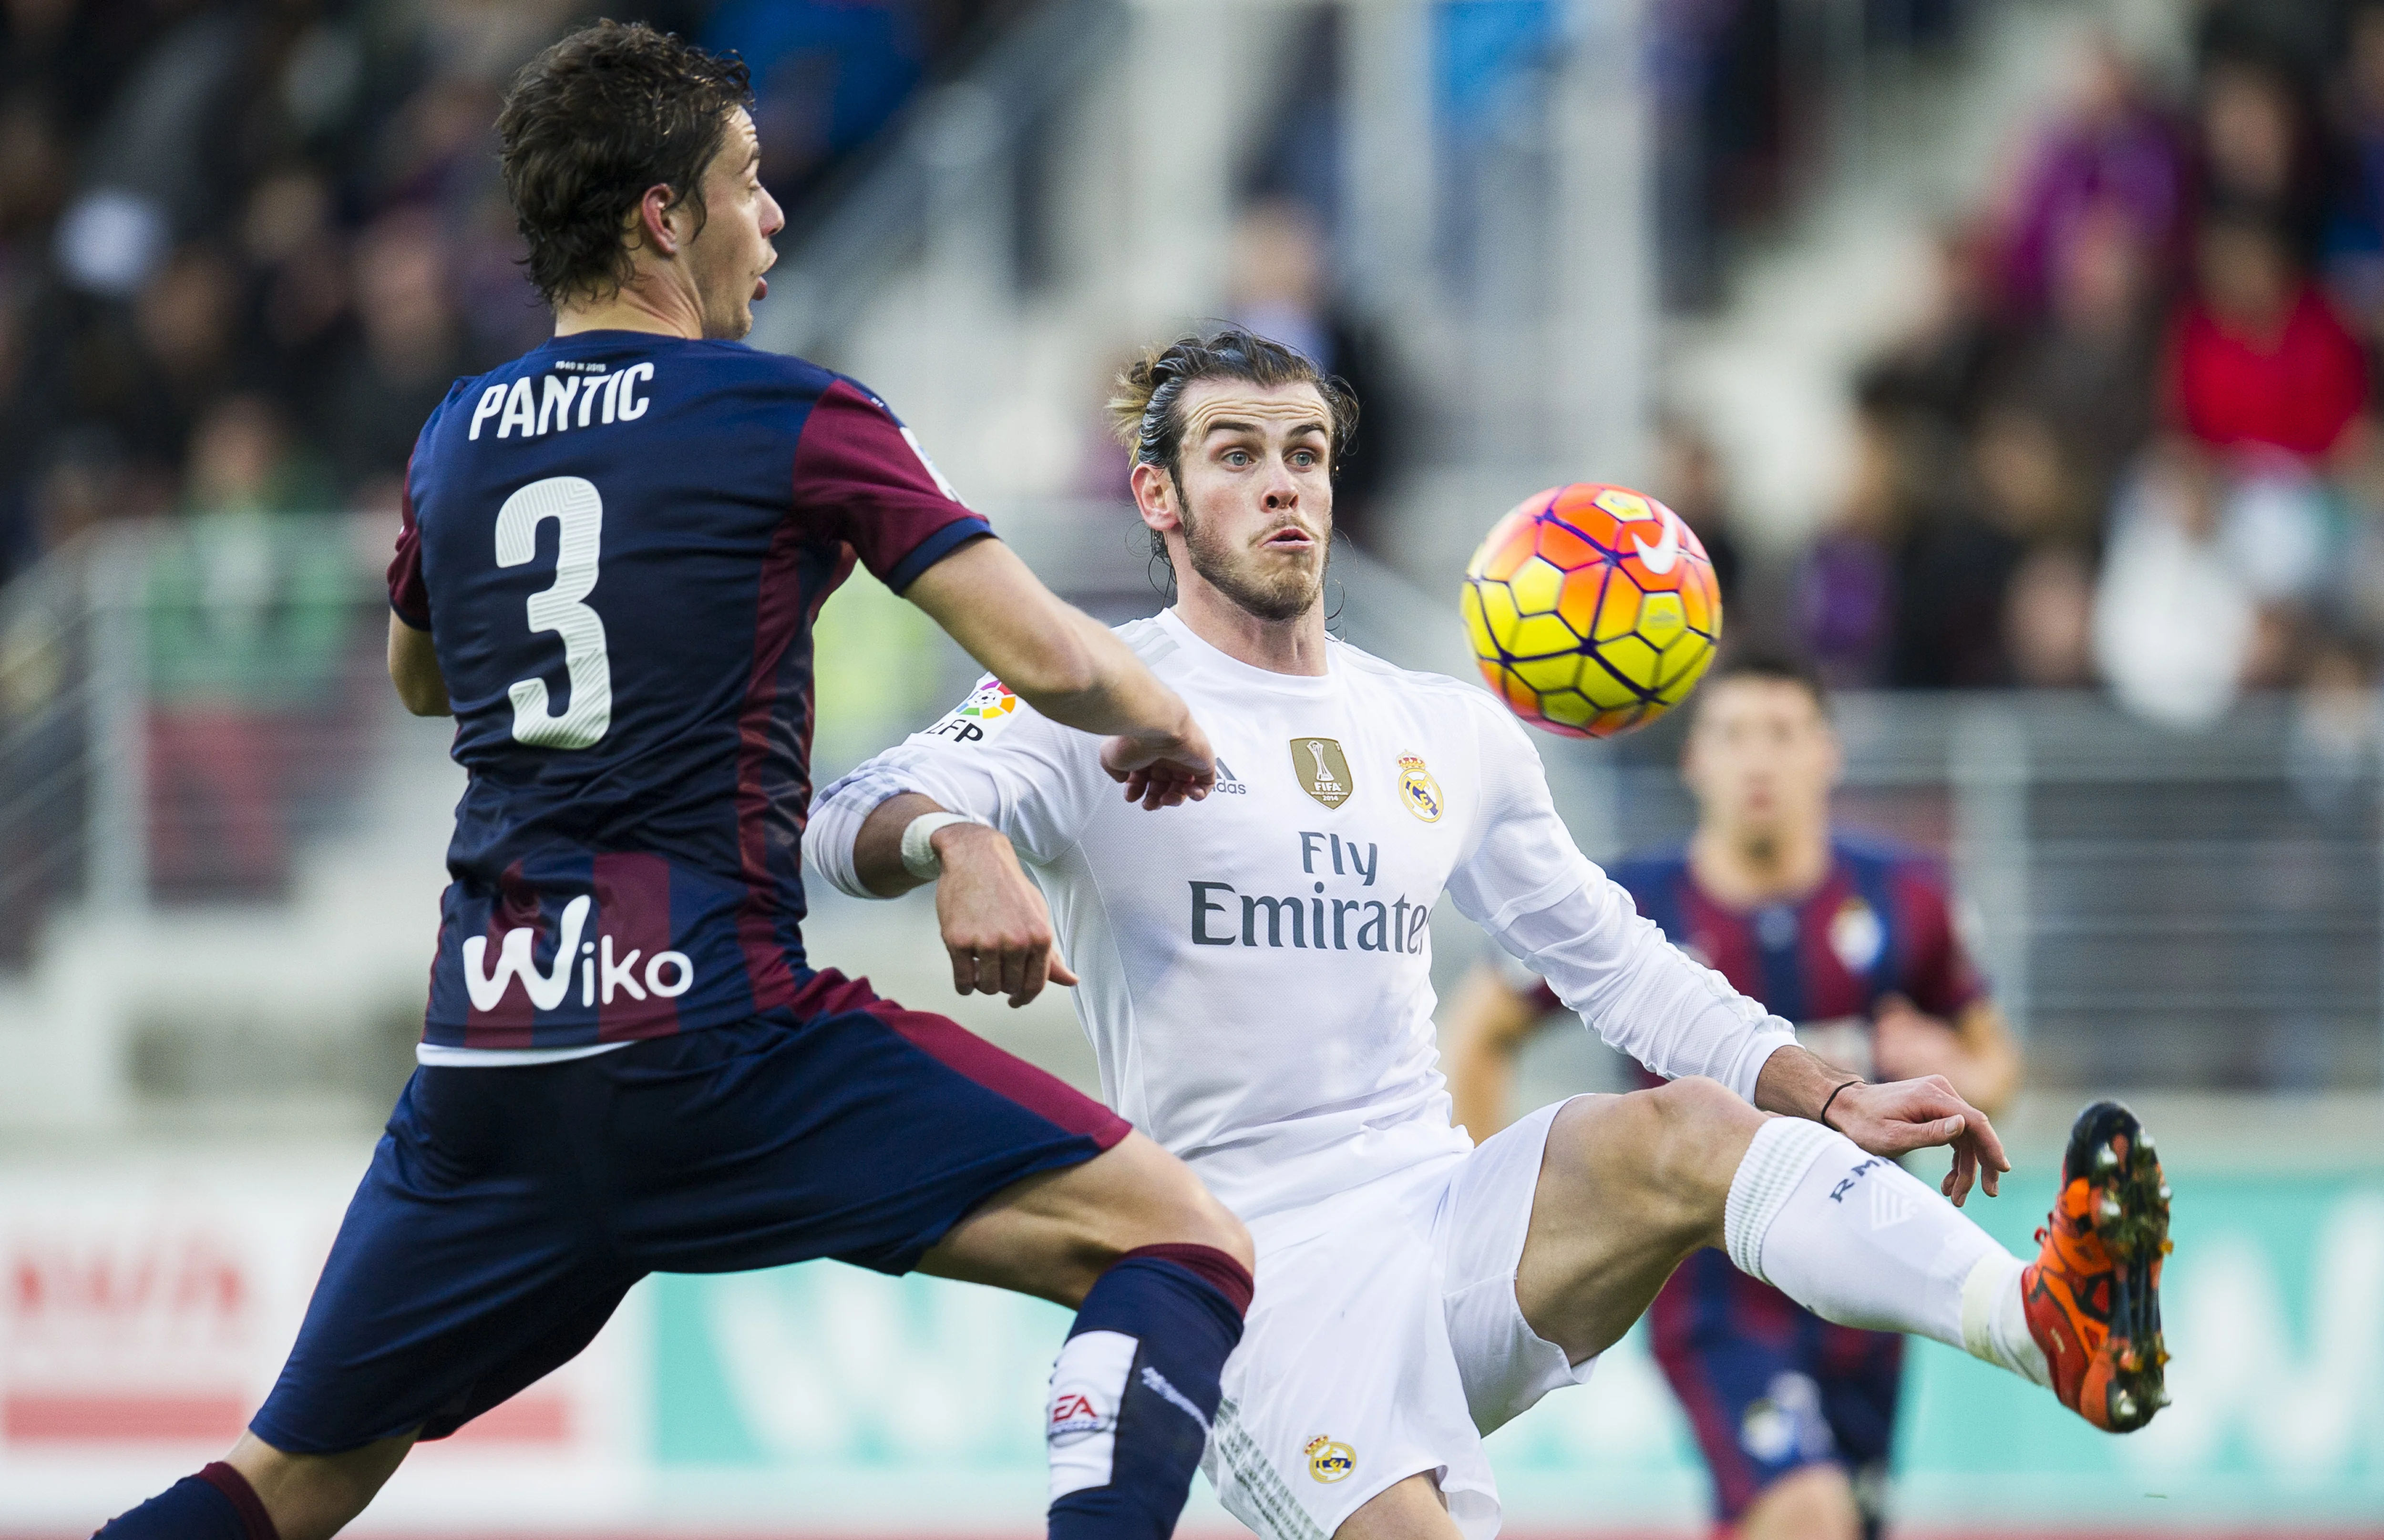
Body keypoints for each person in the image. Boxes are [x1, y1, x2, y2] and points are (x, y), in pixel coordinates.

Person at [94, 25, 1256, 1540]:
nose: (771, 218)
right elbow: (1052, 658)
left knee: (287, 1482)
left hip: (494, 1065)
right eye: (748, 183)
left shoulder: (454, 436)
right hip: (716, 1035)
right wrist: (1170, 714)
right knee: (1180, 1238)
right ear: (663, 215)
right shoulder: (791, 415)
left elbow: (418, 676)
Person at [803, 328, 2171, 1540]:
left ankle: (2042, 1317)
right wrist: (958, 841)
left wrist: (1831, 1091)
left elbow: (1615, 958)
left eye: (1306, 453)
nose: (1282, 484)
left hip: (1445, 1219)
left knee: (1685, 1126)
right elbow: (844, 812)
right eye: (1236, 454)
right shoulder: (1091, 692)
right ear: (1156, 495)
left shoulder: (1440, 725)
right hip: (1245, 1266)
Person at [1441, 654, 2024, 1540]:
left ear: (1826, 754)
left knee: (1823, 1520)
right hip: (1712, 1285)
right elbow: (1481, 1030)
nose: (1760, 761)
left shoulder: (1906, 898)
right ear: (1695, 761)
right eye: (1733, 735)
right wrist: (1494, 1204)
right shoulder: (1633, 909)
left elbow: (1995, 1068)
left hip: (1867, 1269)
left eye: (1783, 735)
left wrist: (1954, 1069)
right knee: (1807, 1512)